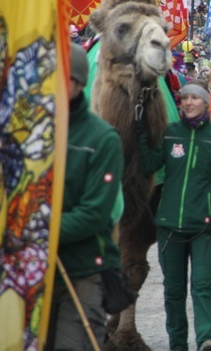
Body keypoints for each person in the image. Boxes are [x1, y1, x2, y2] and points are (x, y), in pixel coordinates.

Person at [139, 81, 211, 351]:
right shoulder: (170, 133)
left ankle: (207, 338)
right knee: (173, 290)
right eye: (185, 98)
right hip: (169, 224)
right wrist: (139, 136)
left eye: (196, 98)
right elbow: (149, 164)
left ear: (206, 102)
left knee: (203, 286)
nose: (189, 102)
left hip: (205, 225)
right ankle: (177, 342)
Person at [47, 43, 124, 350]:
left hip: (82, 268)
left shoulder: (102, 139)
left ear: (78, 83)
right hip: (32, 265)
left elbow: (94, 213)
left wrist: (42, 230)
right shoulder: (28, 130)